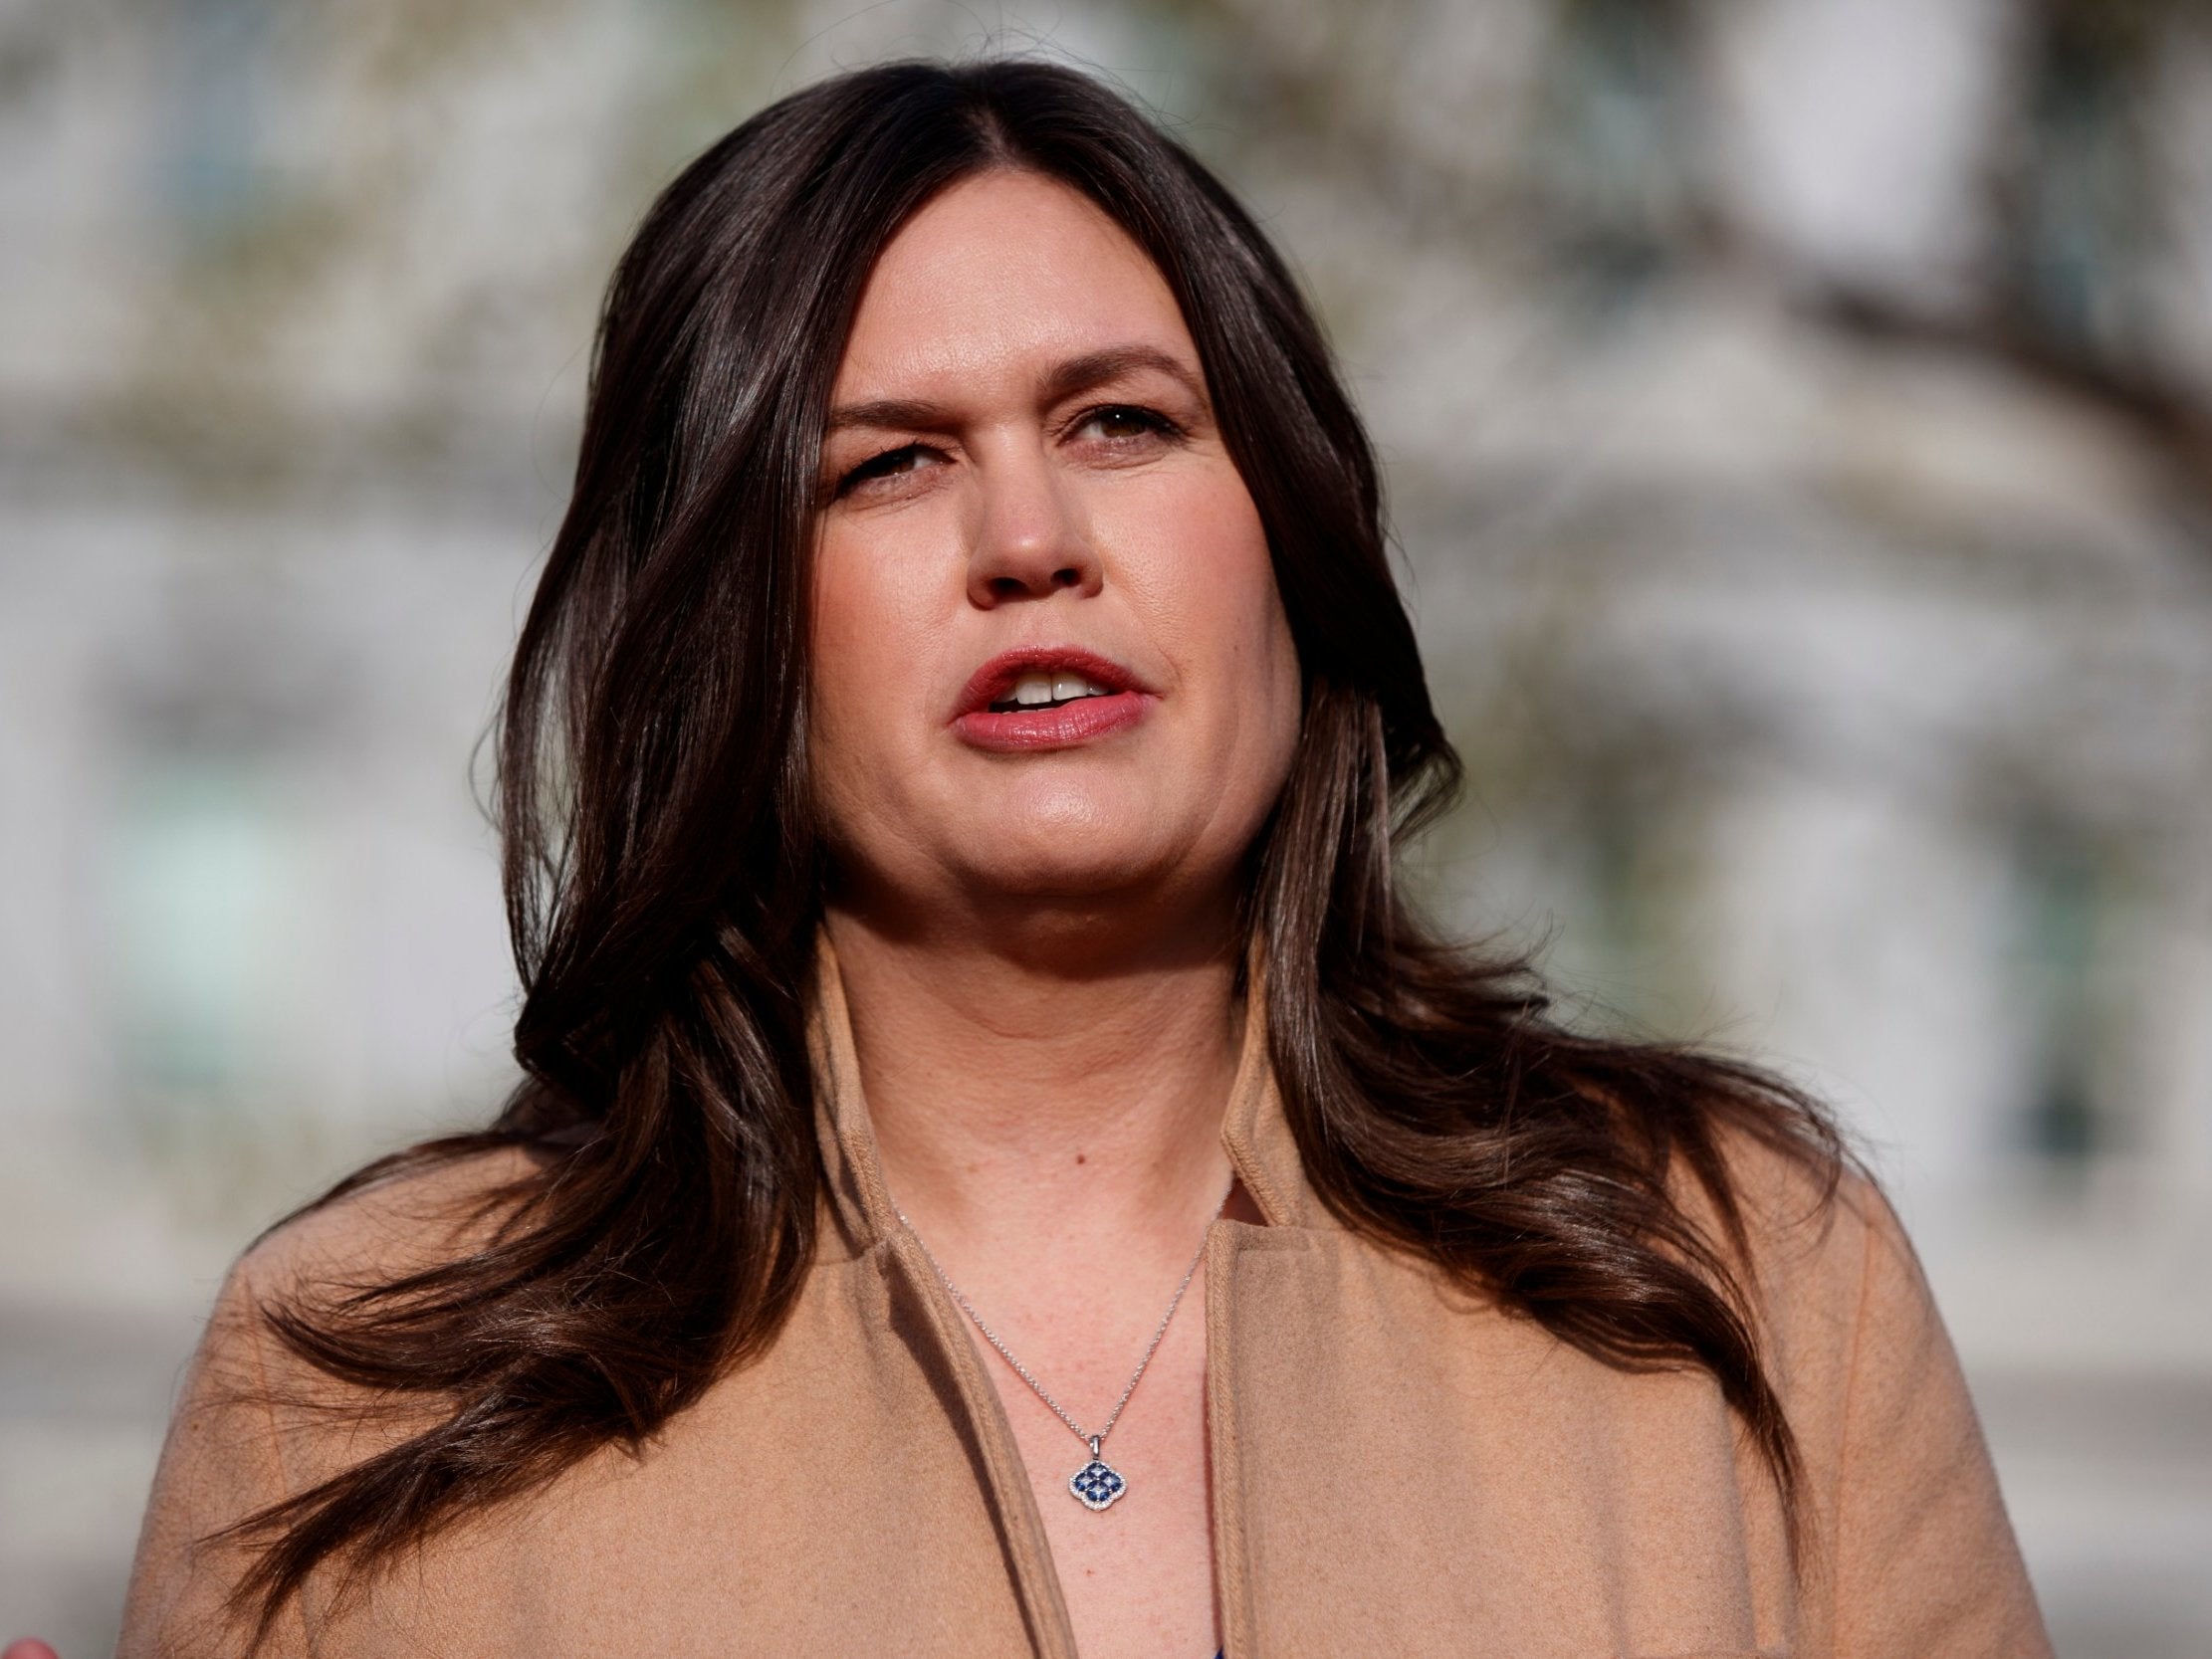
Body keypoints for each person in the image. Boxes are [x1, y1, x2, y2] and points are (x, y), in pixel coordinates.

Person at [101, 55, 2052, 1659]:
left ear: (1288, 536)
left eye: (1120, 423)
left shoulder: (1738, 1279)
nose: (1028, 539)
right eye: (888, 463)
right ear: (725, 627)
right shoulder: (362, 1390)